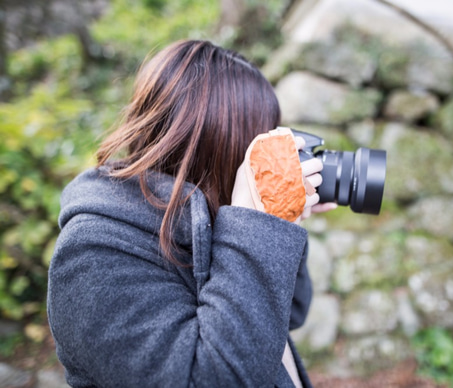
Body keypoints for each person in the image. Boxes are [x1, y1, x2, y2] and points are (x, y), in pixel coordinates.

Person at [47, 39, 336, 387]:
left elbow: (288, 313)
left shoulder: (211, 222)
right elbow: (214, 378)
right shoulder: (93, 253)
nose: (272, 154)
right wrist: (256, 223)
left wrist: (277, 219)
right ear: (221, 145)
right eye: (261, 139)